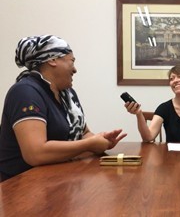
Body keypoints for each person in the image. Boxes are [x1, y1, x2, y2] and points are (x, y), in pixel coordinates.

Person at [0, 35, 127, 181]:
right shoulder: (25, 92)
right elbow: (35, 154)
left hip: (59, 179)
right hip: (23, 186)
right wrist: (89, 144)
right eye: (71, 61)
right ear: (52, 59)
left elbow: (83, 133)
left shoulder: (67, 95)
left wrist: (100, 141)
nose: (75, 69)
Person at [124, 64, 180, 143]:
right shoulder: (164, 108)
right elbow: (148, 138)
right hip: (170, 159)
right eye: (172, 78)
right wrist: (139, 114)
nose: (175, 80)